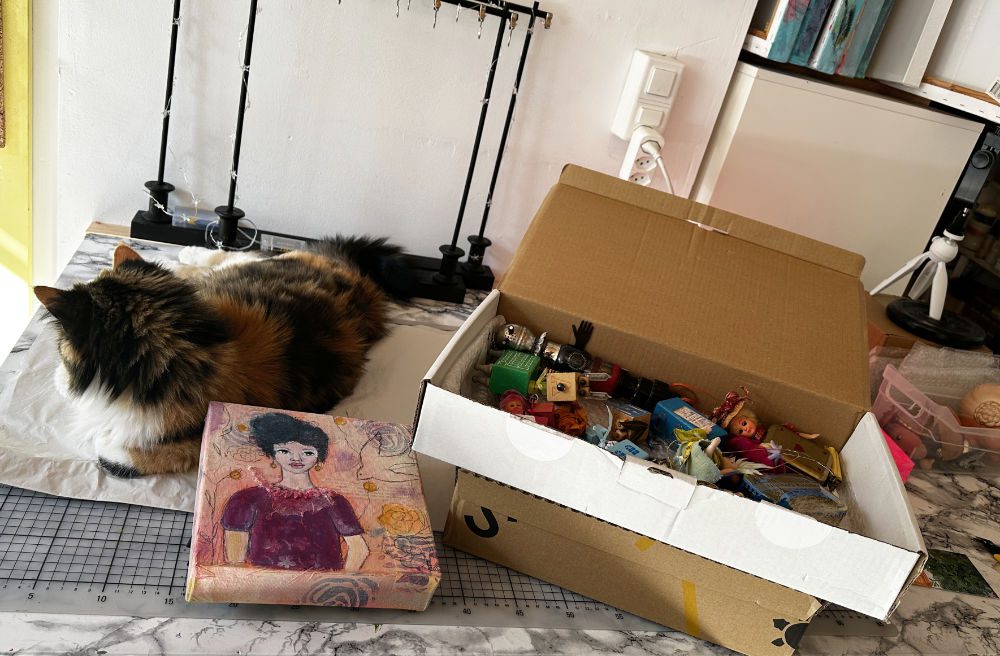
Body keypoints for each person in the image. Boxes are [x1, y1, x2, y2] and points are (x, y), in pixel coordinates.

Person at [221, 413, 369, 571]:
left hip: (321, 588)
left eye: (307, 453)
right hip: (263, 585)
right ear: (273, 454)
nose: (296, 458)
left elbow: (359, 550)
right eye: (285, 451)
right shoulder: (247, 499)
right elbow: (235, 559)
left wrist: (339, 584)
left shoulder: (333, 501)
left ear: (319, 457)